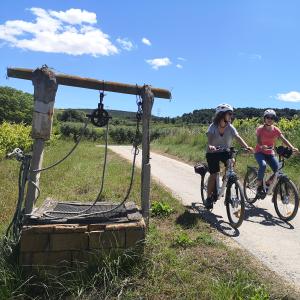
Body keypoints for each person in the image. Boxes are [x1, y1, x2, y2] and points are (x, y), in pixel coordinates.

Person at [205, 104, 253, 209]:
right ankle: (208, 197)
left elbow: (237, 137)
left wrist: (247, 147)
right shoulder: (213, 126)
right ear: (221, 115)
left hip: (225, 151)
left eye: (231, 114)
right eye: (229, 114)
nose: (231, 116)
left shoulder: (230, 127)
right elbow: (209, 141)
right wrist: (211, 146)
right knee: (213, 175)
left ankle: (226, 179)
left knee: (232, 161)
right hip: (212, 152)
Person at [255, 109, 298, 196]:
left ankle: (267, 183)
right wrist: (261, 145)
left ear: (274, 119)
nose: (269, 119)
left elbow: (284, 139)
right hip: (259, 152)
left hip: (270, 153)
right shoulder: (260, 129)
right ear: (264, 118)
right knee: (263, 165)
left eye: (272, 117)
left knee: (278, 170)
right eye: (267, 117)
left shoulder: (276, 130)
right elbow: (258, 140)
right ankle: (259, 186)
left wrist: (292, 147)